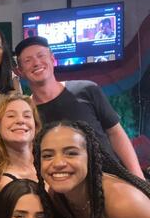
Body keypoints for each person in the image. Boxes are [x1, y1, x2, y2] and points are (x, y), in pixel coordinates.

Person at [14, 35, 145, 179]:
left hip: (111, 180)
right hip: (62, 188)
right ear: (20, 71)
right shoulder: (26, 113)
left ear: (52, 59)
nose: (36, 63)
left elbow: (115, 132)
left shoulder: (86, 89)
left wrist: (138, 177)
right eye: (28, 60)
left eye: (41, 56)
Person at [0, 93, 40, 191]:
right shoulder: (0, 183)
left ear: (35, 126)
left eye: (27, 116)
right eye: (11, 116)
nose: (20, 120)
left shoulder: (49, 164)